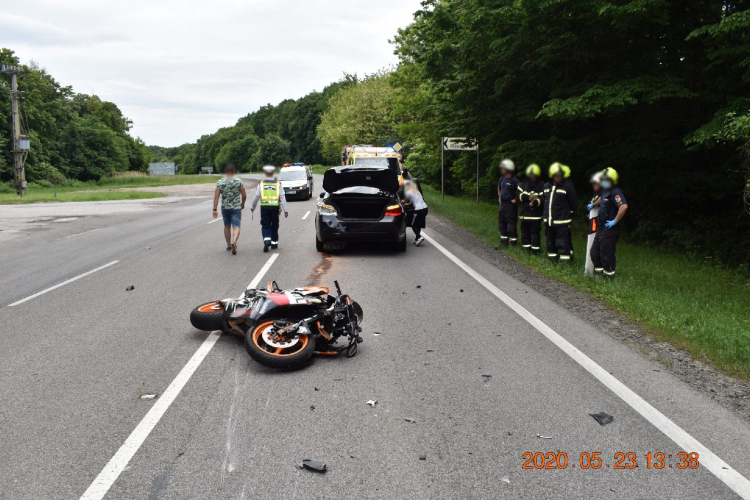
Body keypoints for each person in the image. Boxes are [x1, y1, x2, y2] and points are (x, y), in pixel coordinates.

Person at [590, 168, 628, 278]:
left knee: (606, 254)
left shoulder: (615, 191)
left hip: (609, 229)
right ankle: (599, 275)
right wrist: (593, 204)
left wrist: (615, 221)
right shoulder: (606, 191)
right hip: (601, 227)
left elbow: (624, 206)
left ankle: (608, 277)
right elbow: (601, 199)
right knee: (594, 253)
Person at [542, 162, 577, 262]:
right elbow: (544, 201)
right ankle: (552, 260)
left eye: (560, 174)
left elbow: (573, 203)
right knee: (550, 241)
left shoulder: (567, 186)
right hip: (548, 220)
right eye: (556, 174)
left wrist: (568, 214)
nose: (558, 176)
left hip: (562, 221)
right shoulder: (546, 186)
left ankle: (564, 262)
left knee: (562, 242)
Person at [250, 165, 288, 252]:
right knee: (275, 225)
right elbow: (282, 197)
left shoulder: (262, 183)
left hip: (265, 207)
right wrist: (285, 210)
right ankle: (274, 244)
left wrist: (253, 207)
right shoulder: (278, 183)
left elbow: (256, 196)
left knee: (265, 225)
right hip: (275, 208)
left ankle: (267, 240)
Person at [213, 163, 246, 255]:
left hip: (225, 208)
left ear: (225, 171)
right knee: (236, 226)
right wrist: (242, 204)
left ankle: (228, 245)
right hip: (236, 207)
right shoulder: (239, 181)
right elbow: (244, 195)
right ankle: (234, 241)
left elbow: (216, 197)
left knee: (227, 226)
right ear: (234, 171)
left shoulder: (220, 182)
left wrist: (214, 209)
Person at [517, 164, 544, 254]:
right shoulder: (524, 184)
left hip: (535, 216)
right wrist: (527, 197)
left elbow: (544, 199)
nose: (532, 177)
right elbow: (517, 195)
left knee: (534, 234)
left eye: (534, 175)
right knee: (524, 233)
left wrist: (536, 202)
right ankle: (526, 250)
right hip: (524, 215)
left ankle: (535, 252)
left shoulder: (541, 186)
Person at [497, 159, 519, 247]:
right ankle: (503, 243)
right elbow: (499, 188)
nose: (502, 169)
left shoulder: (514, 180)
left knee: (511, 225)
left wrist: (516, 199)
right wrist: (499, 197)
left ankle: (513, 243)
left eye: (503, 168)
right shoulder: (502, 179)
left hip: (510, 206)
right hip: (502, 205)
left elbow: (521, 191)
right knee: (501, 224)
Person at [402, 179, 428, 246]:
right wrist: (409, 204)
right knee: (418, 224)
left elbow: (404, 201)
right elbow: (415, 200)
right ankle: (417, 239)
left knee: (413, 224)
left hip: (419, 210)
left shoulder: (408, 192)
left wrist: (401, 202)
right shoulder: (416, 191)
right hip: (425, 209)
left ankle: (419, 237)